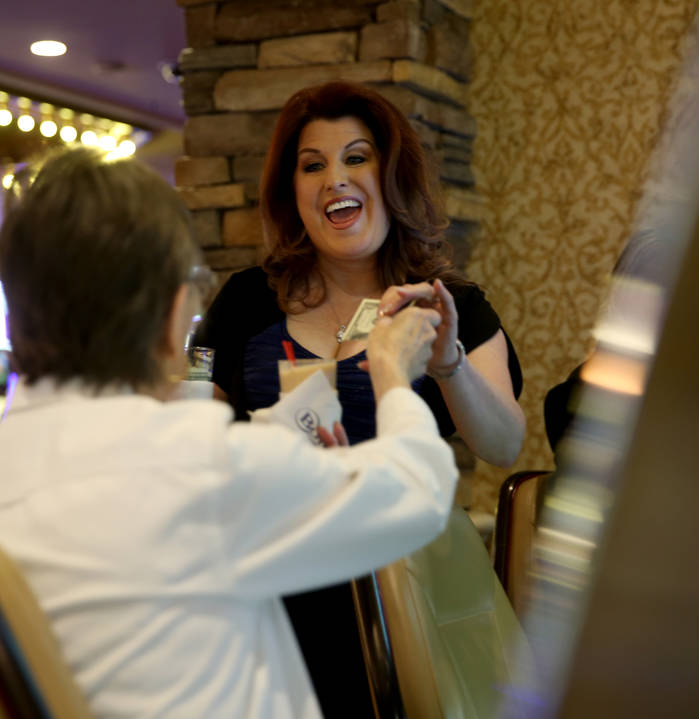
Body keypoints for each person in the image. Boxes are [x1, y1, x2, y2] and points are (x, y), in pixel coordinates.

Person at [0, 146, 460, 718]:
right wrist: (393, 375)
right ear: (174, 313)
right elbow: (418, 493)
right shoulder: (202, 465)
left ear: (14, 317)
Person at [193, 81, 525, 716]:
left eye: (356, 157)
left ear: (390, 173)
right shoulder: (240, 302)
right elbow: (184, 404)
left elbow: (505, 445)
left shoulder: (453, 303)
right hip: (274, 584)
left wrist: (447, 361)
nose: (333, 179)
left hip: (415, 583)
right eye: (311, 165)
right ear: (292, 192)